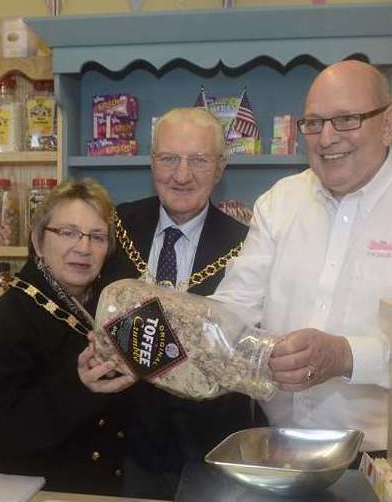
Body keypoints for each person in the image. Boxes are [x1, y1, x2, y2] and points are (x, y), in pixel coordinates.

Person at [211, 60, 392, 459]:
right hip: (278, 449)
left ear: (388, 124)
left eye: (346, 120)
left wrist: (346, 356)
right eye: (314, 123)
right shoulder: (279, 202)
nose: (326, 138)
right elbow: (231, 311)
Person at [89, 107, 266, 498]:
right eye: (169, 158)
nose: (181, 175)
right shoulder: (112, 227)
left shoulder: (249, 246)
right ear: (152, 163)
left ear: (220, 168)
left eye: (199, 160)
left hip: (213, 449)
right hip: (122, 445)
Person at [0, 179, 135, 496]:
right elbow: (4, 433)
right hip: (42, 492)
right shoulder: (6, 322)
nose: (83, 248)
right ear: (37, 240)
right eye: (68, 232)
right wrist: (78, 385)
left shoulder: (102, 305)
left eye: (97, 237)